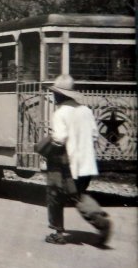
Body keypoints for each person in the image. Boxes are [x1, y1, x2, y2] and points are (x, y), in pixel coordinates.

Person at [43, 74, 111, 246]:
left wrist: (46, 145)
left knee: (55, 195)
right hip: (86, 165)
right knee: (78, 196)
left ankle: (58, 233)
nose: (54, 96)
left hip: (68, 166)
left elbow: (59, 139)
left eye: (55, 93)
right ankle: (101, 221)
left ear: (60, 95)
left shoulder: (60, 113)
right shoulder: (86, 111)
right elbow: (95, 135)